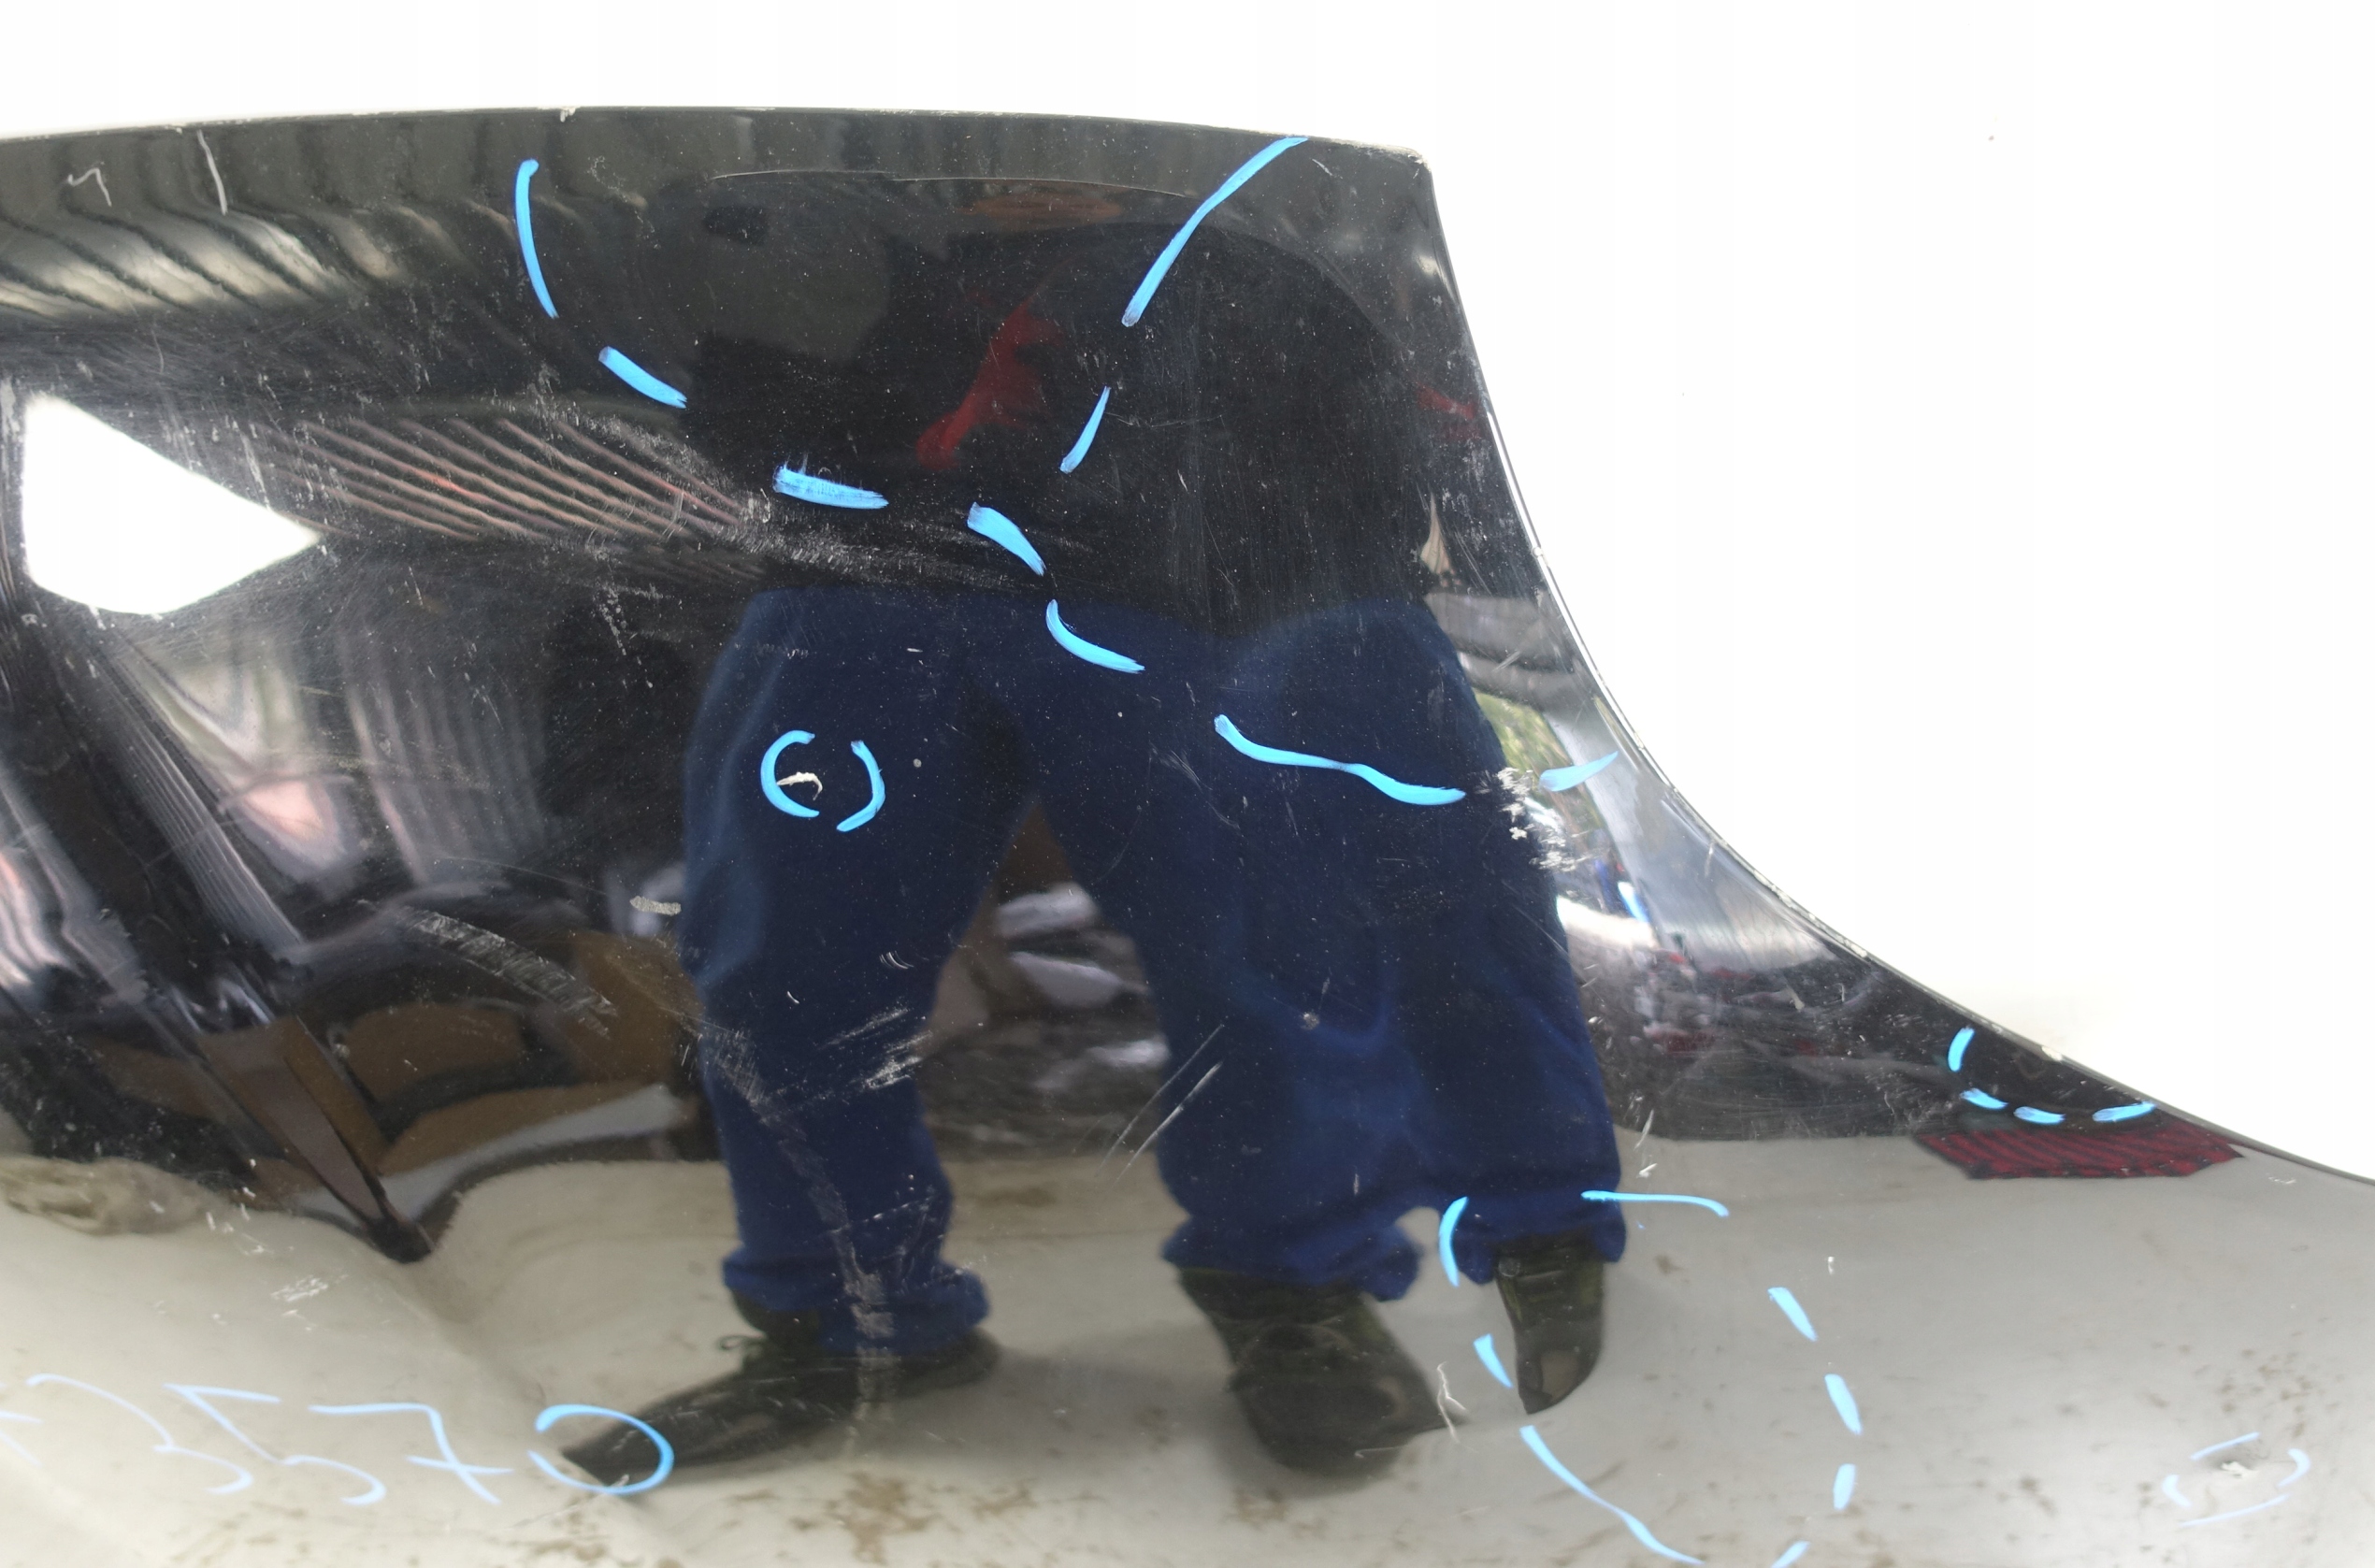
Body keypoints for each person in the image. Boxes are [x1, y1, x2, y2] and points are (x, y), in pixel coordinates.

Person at [566, 170, 1625, 1483]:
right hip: (878, 526)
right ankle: (844, 1320)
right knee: (781, 957)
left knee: (1299, 941)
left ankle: (1324, 1288)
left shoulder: (1273, 252)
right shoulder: (884, 240)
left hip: (1218, 518)